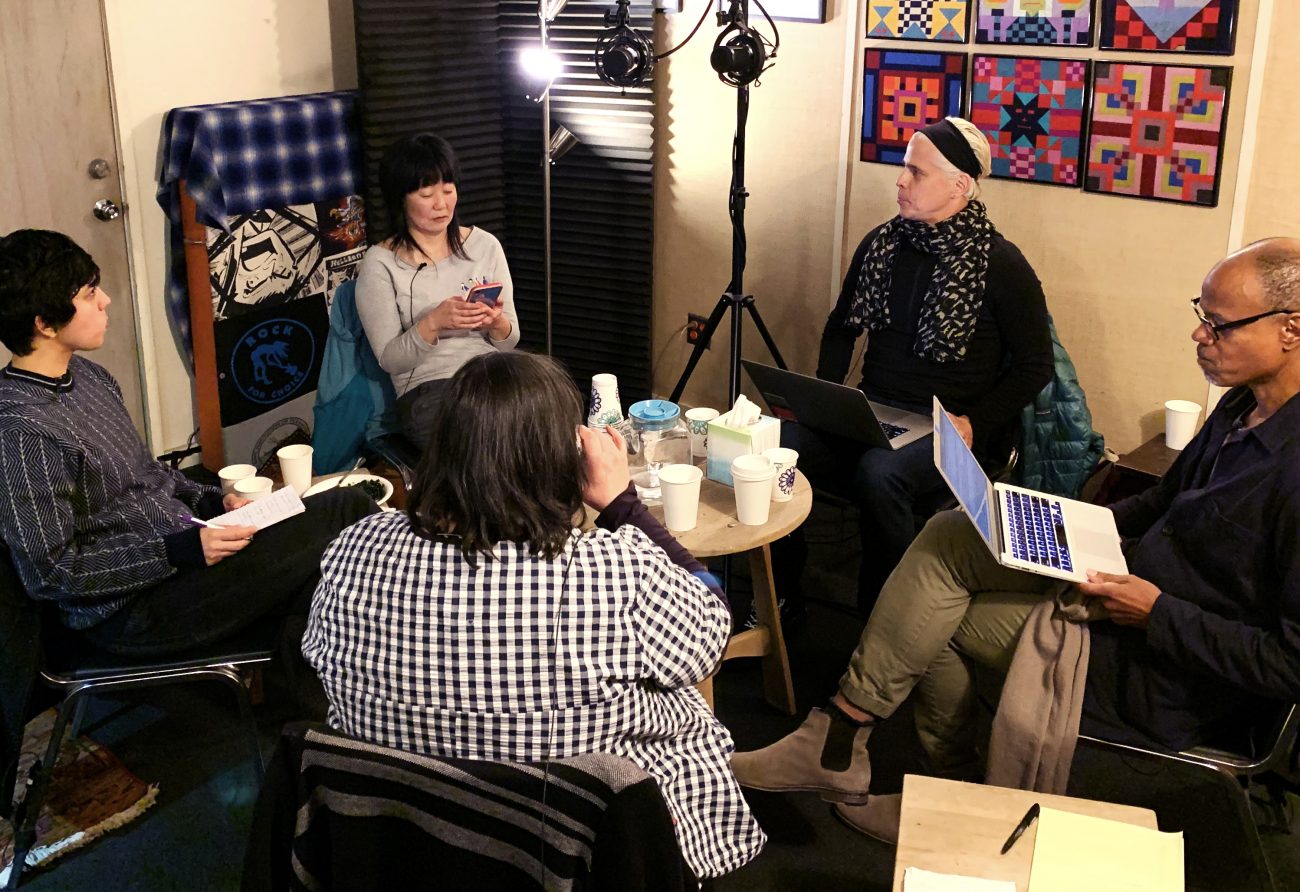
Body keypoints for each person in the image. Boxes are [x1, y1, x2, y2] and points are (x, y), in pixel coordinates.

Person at [732, 238, 1300, 842]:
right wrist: (1059, 520)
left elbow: (1287, 663)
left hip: (1160, 665)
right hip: (1119, 583)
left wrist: (1155, 612)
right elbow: (1160, 503)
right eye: (1200, 315)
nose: (1199, 336)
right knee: (951, 532)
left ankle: (917, 786)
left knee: (936, 619)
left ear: (1290, 329)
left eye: (1217, 325)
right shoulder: (1242, 405)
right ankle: (859, 751)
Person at [303, 351, 766, 880]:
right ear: (561, 459)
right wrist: (622, 504)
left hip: (398, 845)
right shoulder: (610, 571)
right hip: (575, 854)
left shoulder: (353, 549)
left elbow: (317, 655)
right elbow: (709, 624)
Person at [0, 229, 376, 704]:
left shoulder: (89, 377)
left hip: (183, 557)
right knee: (345, 512)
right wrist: (178, 550)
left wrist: (215, 502)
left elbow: (150, 476)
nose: (106, 301)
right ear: (45, 323)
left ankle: (313, 710)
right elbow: (52, 573)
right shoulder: (21, 430)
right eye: (89, 294)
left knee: (321, 557)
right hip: (131, 612)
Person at [777, 117, 1052, 620]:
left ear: (960, 185)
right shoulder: (883, 244)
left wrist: (975, 422)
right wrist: (823, 398)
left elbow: (1035, 366)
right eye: (904, 169)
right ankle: (780, 596)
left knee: (880, 474)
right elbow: (842, 328)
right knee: (779, 447)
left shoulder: (1000, 264)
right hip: (875, 412)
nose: (900, 181)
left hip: (954, 429)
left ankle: (887, 616)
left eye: (916, 172)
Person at [355, 133, 520, 448]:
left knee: (548, 410)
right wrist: (433, 323)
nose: (441, 204)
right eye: (427, 194)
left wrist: (495, 322)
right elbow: (391, 360)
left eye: (448, 190)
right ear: (400, 198)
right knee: (489, 442)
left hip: (490, 377)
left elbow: (509, 342)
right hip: (428, 392)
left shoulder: (485, 245)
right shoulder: (380, 264)